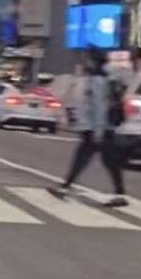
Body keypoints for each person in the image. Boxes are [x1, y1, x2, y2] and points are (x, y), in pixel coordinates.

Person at [47, 49, 127, 207]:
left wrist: (98, 131)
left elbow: (99, 107)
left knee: (100, 160)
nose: (84, 62)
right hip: (101, 128)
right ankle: (66, 187)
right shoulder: (103, 78)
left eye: (87, 59)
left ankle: (119, 193)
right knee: (103, 161)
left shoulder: (97, 80)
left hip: (97, 128)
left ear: (93, 61)